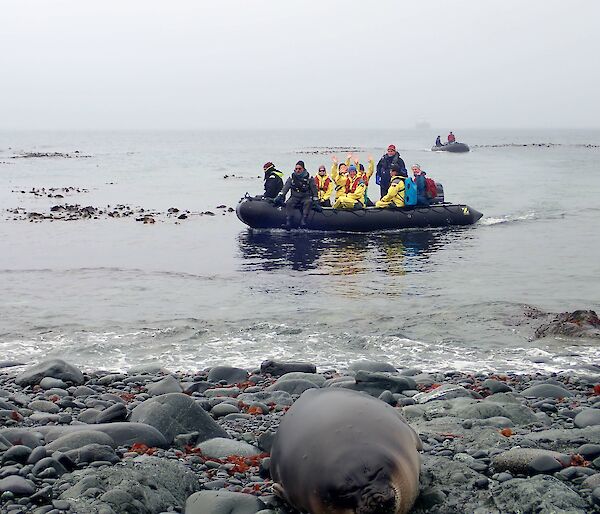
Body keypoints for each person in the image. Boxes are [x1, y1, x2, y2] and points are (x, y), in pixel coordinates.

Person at [275, 161, 319, 229]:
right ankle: (289, 222)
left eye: (299, 169)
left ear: (303, 169)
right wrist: (280, 196)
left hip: (305, 197)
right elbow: (286, 187)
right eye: (296, 169)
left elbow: (314, 190)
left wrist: (316, 201)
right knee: (289, 203)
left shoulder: (309, 178)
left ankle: (303, 221)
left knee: (308, 202)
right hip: (294, 197)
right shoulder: (292, 178)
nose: (297, 170)